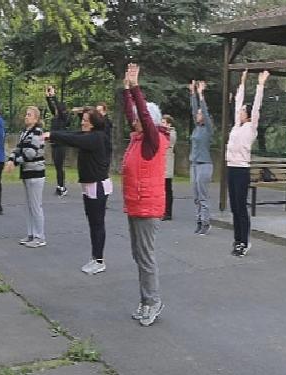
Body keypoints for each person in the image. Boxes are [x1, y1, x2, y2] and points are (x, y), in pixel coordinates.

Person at [122, 63, 169, 327]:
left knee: (146, 257)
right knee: (139, 256)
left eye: (140, 119)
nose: (135, 121)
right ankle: (146, 299)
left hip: (147, 206)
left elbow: (142, 115)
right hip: (135, 205)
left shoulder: (153, 139)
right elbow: (131, 112)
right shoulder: (138, 138)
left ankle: (153, 302)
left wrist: (137, 88)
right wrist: (125, 89)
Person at [45, 108, 111, 275]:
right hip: (89, 185)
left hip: (98, 186)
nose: (82, 122)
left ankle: (99, 260)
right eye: (82, 119)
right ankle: (95, 257)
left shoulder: (96, 138)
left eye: (86, 120)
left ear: (93, 123)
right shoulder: (89, 135)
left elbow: (72, 139)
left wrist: (53, 135)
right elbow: (73, 135)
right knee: (92, 223)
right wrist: (52, 135)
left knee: (97, 223)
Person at [226, 69, 269, 257]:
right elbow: (237, 104)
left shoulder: (251, 127)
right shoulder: (237, 126)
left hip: (242, 169)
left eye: (244, 110)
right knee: (234, 206)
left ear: (249, 114)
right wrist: (242, 83)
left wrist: (260, 85)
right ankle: (237, 240)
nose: (241, 111)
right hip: (231, 167)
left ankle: (244, 241)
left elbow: (257, 106)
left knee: (241, 207)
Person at [5, 106, 46, 248]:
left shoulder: (37, 132)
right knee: (28, 205)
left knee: (35, 206)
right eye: (26, 114)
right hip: (27, 173)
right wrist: (10, 159)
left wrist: (15, 162)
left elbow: (31, 153)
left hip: (36, 173)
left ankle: (40, 237)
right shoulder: (25, 132)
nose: (26, 117)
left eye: (29, 115)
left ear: (36, 118)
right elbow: (18, 148)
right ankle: (31, 234)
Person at [188, 80, 214, 234]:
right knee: (196, 196)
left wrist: (200, 94)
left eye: (200, 114)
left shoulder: (208, 129)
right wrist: (192, 94)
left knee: (202, 196)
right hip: (195, 164)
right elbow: (194, 110)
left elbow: (202, 110)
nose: (198, 114)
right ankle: (199, 220)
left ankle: (206, 222)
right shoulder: (197, 128)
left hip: (205, 164)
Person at [46, 86, 71, 196]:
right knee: (57, 166)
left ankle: (62, 186)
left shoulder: (63, 117)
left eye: (57, 109)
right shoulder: (56, 117)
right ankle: (59, 185)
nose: (55, 110)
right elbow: (52, 107)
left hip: (61, 144)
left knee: (60, 166)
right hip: (54, 144)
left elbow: (58, 109)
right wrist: (48, 98)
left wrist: (54, 96)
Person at [161, 114, 177, 221]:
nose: (162, 124)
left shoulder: (171, 133)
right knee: (162, 190)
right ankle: (162, 210)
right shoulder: (163, 133)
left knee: (167, 189)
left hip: (167, 165)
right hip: (162, 164)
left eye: (164, 122)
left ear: (168, 124)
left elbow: (167, 143)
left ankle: (168, 212)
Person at [95, 101, 113, 170]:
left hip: (104, 149)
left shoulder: (106, 122)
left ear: (104, 112)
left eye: (100, 111)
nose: (98, 113)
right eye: (97, 111)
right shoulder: (97, 122)